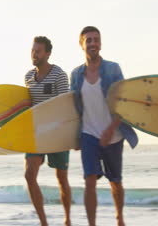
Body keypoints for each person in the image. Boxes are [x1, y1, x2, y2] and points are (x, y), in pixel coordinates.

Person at [70, 26, 138, 226]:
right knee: (89, 180)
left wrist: (111, 129)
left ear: (100, 43)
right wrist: (74, 136)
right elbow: (73, 108)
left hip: (113, 135)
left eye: (96, 39)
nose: (93, 43)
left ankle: (119, 218)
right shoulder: (75, 74)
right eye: (88, 40)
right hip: (88, 134)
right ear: (81, 44)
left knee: (115, 181)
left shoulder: (113, 69)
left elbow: (122, 102)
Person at [24, 36, 72, 226]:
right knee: (29, 175)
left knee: (61, 177)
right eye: (33, 50)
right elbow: (26, 105)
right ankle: (44, 222)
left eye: (38, 51)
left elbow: (65, 105)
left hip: (58, 133)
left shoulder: (59, 75)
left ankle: (67, 219)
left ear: (47, 53)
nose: (34, 54)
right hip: (37, 133)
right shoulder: (28, 76)